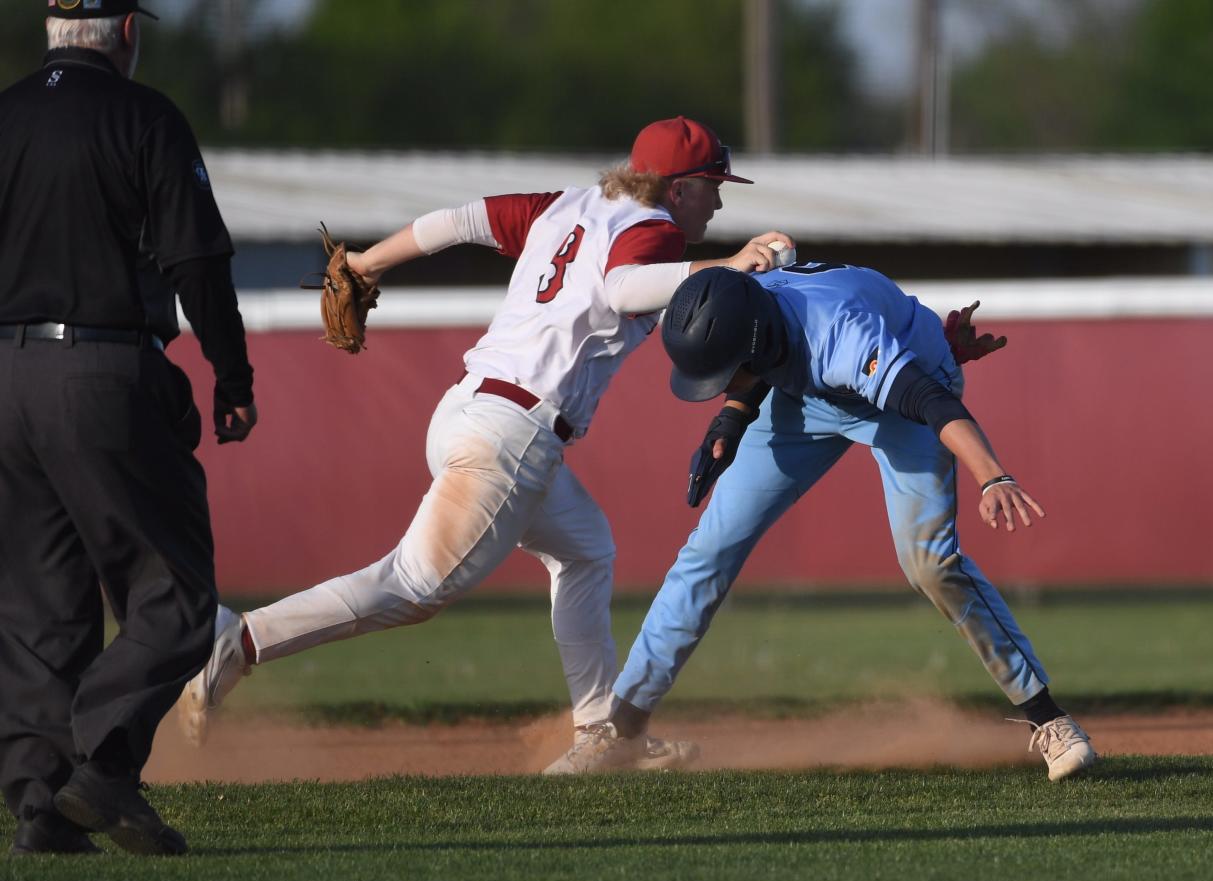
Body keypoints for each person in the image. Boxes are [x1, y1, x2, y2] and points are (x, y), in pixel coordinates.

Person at [176, 117, 793, 774]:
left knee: (585, 551)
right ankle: (237, 642)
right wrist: (722, 266)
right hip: (512, 436)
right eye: (711, 186)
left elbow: (458, 220)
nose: (718, 201)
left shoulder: (566, 206)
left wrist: (365, 262)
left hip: (472, 411)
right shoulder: (654, 228)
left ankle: (602, 737)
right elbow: (619, 287)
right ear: (676, 187)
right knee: (413, 587)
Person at [547, 263, 1098, 782]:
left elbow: (932, 404)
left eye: (724, 371)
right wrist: (731, 418)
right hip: (805, 393)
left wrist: (992, 476)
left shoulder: (844, 340)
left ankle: (1048, 718)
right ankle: (621, 730)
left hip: (907, 392)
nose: (719, 380)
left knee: (929, 563)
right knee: (708, 551)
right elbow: (762, 361)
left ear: (754, 342)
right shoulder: (753, 299)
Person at [0, 1, 258, 856]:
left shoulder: (5, 113)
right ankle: (101, 773)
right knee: (177, 593)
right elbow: (195, 261)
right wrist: (232, 374)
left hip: (6, 377)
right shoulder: (145, 116)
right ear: (127, 32)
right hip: (102, 370)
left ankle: (40, 802)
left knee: (41, 603)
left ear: (50, 29)